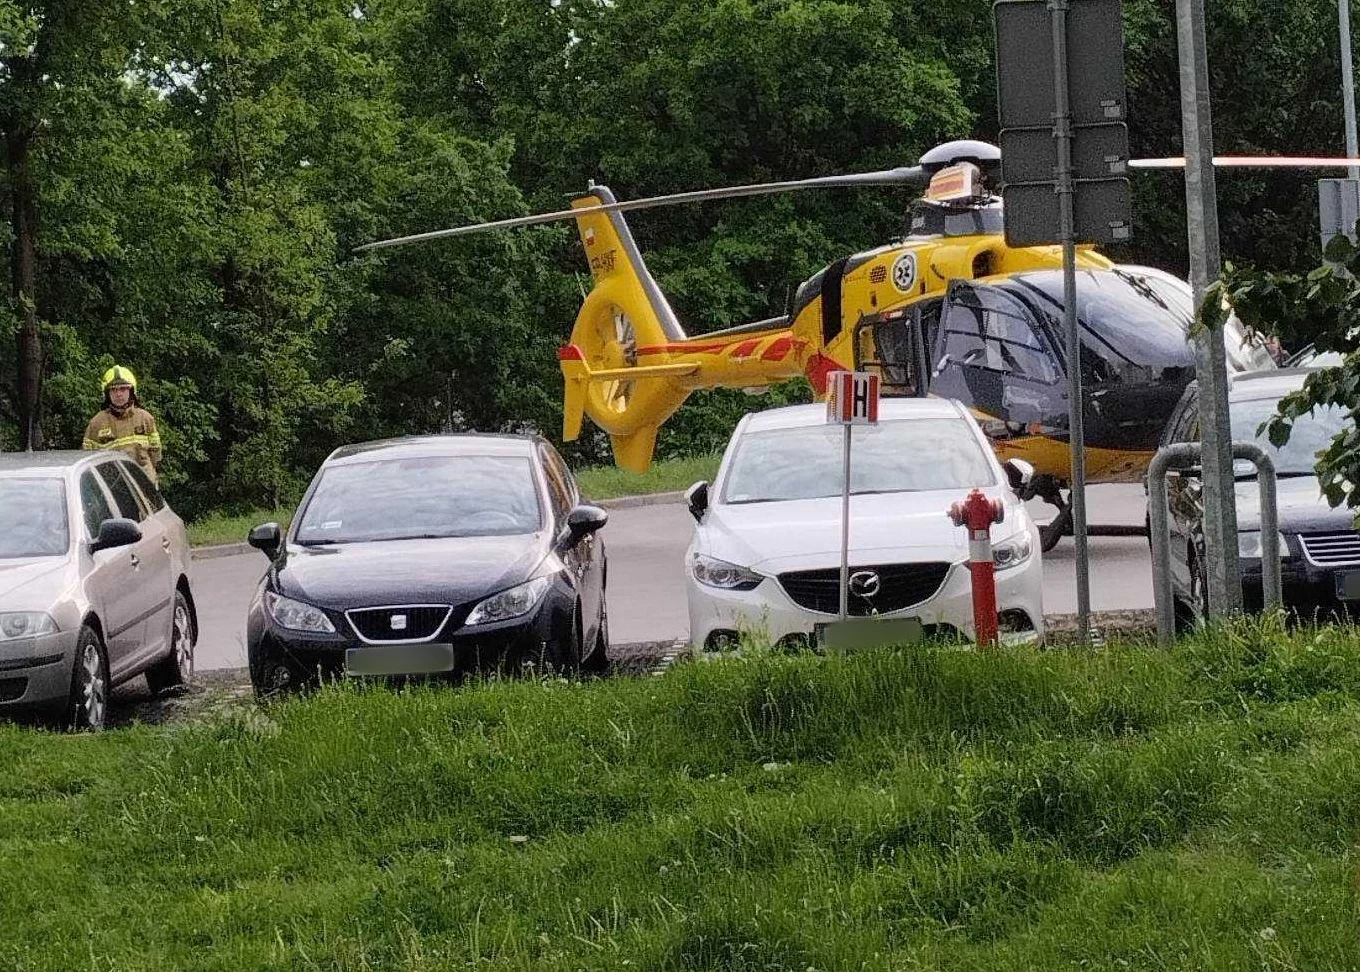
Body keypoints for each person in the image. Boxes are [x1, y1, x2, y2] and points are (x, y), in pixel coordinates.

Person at [82, 365, 164, 484]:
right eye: (114, 390)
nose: (118, 394)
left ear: (131, 391)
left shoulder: (145, 419)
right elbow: (87, 460)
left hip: (144, 486)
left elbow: (155, 455)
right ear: (107, 393)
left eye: (123, 389)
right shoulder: (96, 424)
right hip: (113, 490)